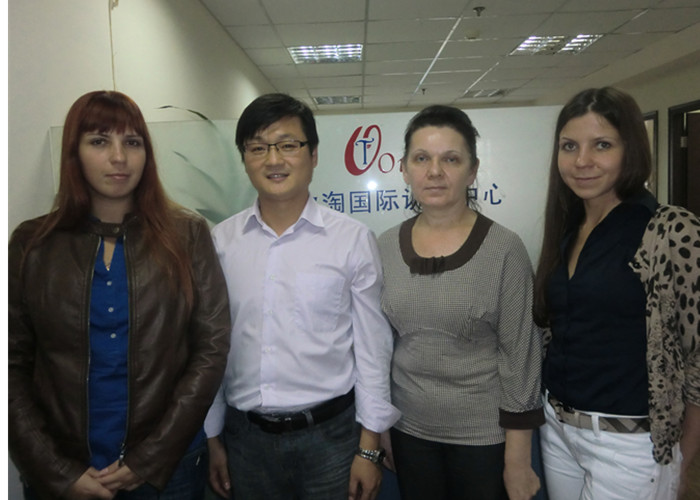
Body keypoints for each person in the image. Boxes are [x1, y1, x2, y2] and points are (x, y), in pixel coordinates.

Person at [8, 90, 231, 500]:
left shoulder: (187, 235)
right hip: (64, 469)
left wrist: (150, 459)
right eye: (99, 141)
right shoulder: (34, 243)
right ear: (74, 153)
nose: (119, 157)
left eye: (132, 142)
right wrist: (56, 470)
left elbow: (211, 350)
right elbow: (11, 364)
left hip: (168, 469)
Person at [204, 93, 400, 500]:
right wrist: (213, 436)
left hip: (332, 439)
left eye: (288, 145)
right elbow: (212, 346)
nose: (273, 160)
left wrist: (369, 446)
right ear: (245, 159)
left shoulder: (351, 240)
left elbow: (373, 348)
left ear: (313, 155)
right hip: (246, 440)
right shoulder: (220, 243)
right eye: (258, 148)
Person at [533, 87, 700, 500]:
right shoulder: (568, 227)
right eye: (569, 146)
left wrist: (685, 457)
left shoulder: (669, 230)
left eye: (602, 145)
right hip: (558, 428)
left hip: (630, 444)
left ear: (631, 150)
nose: (582, 161)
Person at [377, 105, 544, 500]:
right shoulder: (384, 247)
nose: (435, 171)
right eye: (421, 158)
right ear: (404, 169)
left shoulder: (504, 249)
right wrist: (382, 427)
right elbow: (380, 347)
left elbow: (520, 357)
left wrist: (518, 460)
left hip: (484, 439)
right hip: (408, 431)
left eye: (451, 159)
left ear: (472, 171)